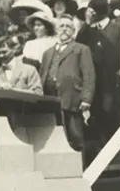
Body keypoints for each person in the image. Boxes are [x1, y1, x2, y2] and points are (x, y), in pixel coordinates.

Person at [40, 14, 96, 153]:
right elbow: (43, 74)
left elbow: (89, 75)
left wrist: (86, 98)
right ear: (56, 30)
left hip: (72, 98)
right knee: (54, 136)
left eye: (68, 27)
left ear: (73, 31)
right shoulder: (47, 52)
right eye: (61, 26)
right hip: (50, 98)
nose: (64, 29)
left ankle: (81, 169)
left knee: (75, 136)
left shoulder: (81, 49)